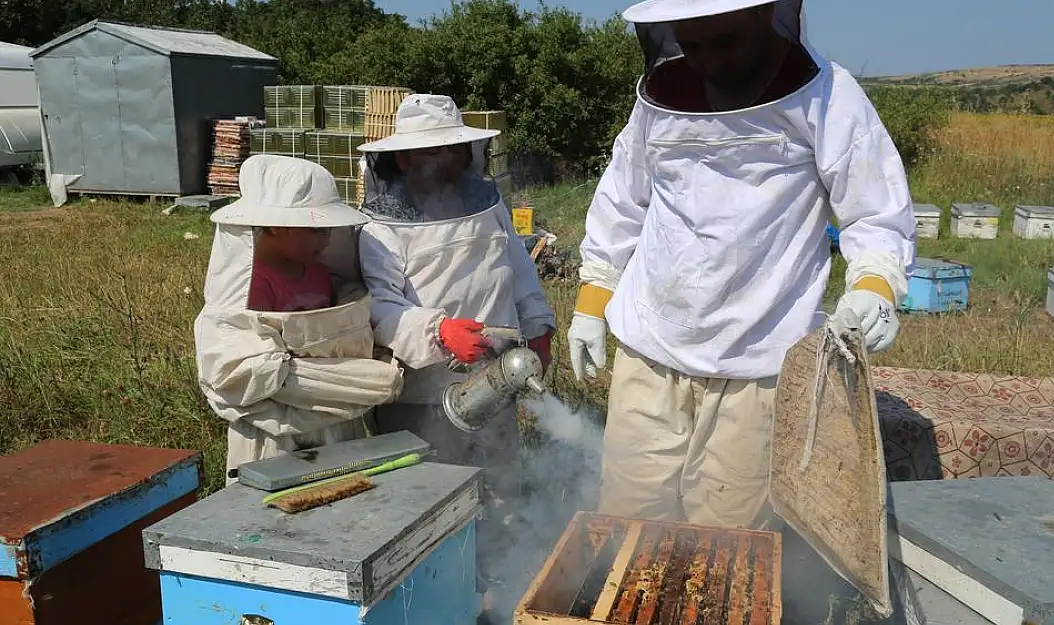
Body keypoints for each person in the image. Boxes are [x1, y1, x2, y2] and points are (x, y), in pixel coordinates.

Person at [566, 0, 917, 528]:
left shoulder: (828, 96)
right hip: (651, 348)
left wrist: (874, 285)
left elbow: (875, 211)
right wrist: (592, 301)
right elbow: (622, 201)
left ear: (766, 15)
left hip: (757, 364)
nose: (708, 61)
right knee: (628, 521)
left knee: (724, 539)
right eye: (692, 43)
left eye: (724, 41)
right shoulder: (660, 99)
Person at [355, 93, 556, 621]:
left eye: (453, 151)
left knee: (500, 489)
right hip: (423, 390)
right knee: (428, 506)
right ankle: (438, 603)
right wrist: (438, 330)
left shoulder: (489, 203)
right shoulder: (379, 226)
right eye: (431, 153)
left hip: (496, 379)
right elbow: (379, 305)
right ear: (400, 159)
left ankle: (498, 598)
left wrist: (539, 328)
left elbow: (517, 268)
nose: (445, 163)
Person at [194, 154, 405, 485]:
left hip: (335, 428)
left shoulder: (319, 274)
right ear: (276, 226)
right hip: (275, 440)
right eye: (315, 230)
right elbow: (258, 370)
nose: (325, 240)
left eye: (327, 230)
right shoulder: (254, 285)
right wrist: (361, 380)